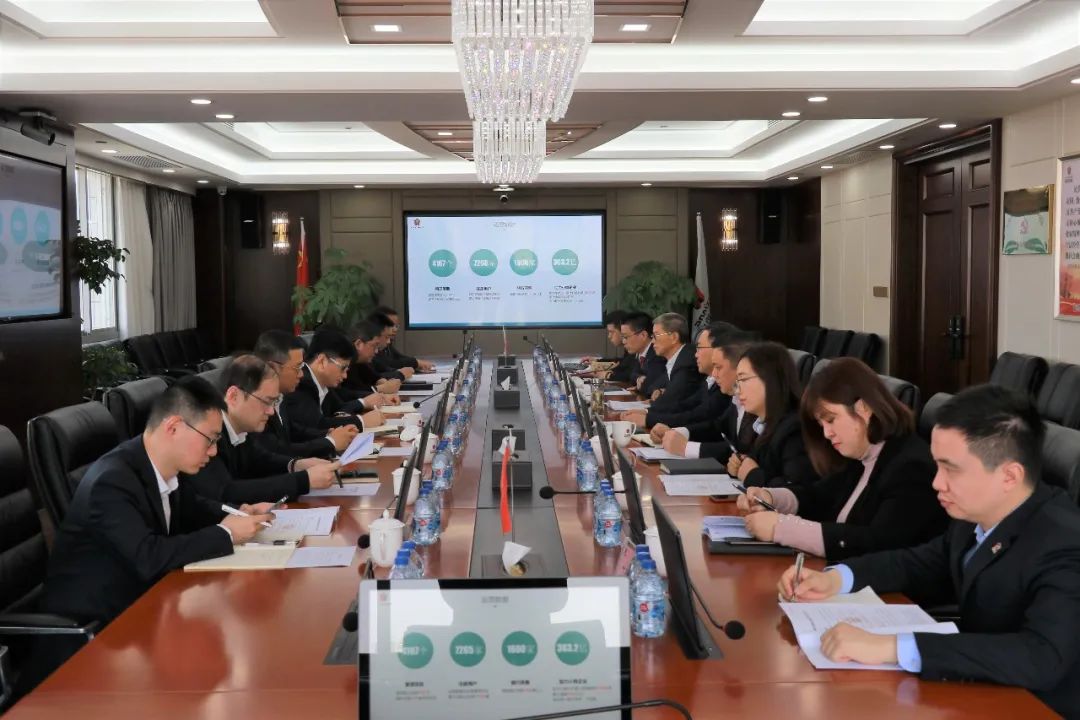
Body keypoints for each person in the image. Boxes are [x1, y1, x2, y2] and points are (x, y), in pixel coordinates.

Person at [777, 385, 1080, 717]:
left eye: (951, 469)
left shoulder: (1064, 542)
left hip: (1037, 706)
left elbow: (1041, 656)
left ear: (1010, 475)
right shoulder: (976, 515)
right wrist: (836, 579)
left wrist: (893, 647)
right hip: (982, 690)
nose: (937, 483)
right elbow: (920, 562)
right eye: (938, 466)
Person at [39, 376, 273, 628]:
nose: (214, 451)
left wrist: (239, 513)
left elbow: (193, 507)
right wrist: (226, 534)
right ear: (173, 427)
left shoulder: (159, 465)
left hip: (145, 603)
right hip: (97, 627)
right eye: (211, 439)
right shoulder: (110, 482)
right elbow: (148, 557)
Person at [738, 357, 946, 559]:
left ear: (864, 408)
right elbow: (818, 497)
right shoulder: (859, 455)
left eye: (831, 420)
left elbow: (878, 543)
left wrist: (783, 529)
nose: (827, 433)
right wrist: (771, 498)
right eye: (821, 424)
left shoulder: (911, 467)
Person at [184, 355, 340, 504]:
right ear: (233, 396)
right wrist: (303, 480)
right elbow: (225, 492)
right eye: (266, 402)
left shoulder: (241, 428)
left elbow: (260, 460)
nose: (271, 411)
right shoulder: (205, 435)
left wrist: (296, 464)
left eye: (274, 402)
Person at [253, 329, 358, 458]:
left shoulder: (280, 397)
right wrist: (330, 442)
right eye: (297, 368)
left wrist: (328, 434)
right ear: (273, 368)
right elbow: (276, 450)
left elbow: (293, 431)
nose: (301, 374)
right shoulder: (255, 404)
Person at [726, 342, 816, 489]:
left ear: (770, 379)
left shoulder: (795, 429)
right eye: (737, 382)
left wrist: (752, 475)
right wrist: (740, 464)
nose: (738, 390)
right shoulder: (761, 424)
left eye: (743, 379)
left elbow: (797, 489)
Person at [660, 330, 758, 462]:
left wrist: (686, 448)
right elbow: (716, 428)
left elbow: (745, 451)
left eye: (718, 367)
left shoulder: (760, 408)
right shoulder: (735, 400)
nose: (714, 374)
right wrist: (679, 432)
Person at [626, 321, 736, 430]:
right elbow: (686, 405)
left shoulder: (688, 362)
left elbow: (697, 416)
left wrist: (649, 419)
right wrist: (648, 412)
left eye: (699, 348)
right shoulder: (709, 378)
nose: (696, 354)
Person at [282, 328, 384, 440]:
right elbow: (316, 425)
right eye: (343, 368)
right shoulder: (301, 383)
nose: (345, 376)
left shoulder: (323, 382)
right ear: (322, 361)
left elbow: (338, 408)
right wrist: (361, 421)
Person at [643, 312, 706, 412]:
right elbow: (651, 386)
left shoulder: (688, 362)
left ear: (674, 337)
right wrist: (659, 391)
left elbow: (673, 401)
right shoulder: (676, 359)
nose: (652, 341)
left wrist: (654, 404)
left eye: (656, 335)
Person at [340, 320, 404, 406]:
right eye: (374, 346)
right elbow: (343, 395)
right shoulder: (344, 361)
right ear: (358, 344)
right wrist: (378, 389)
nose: (376, 351)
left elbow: (375, 377)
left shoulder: (360, 361)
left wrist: (382, 382)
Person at [371, 305, 434, 373]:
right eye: (390, 325)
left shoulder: (387, 343)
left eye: (396, 326)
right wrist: (415, 363)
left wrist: (416, 365)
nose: (394, 329)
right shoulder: (372, 344)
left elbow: (398, 357)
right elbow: (388, 364)